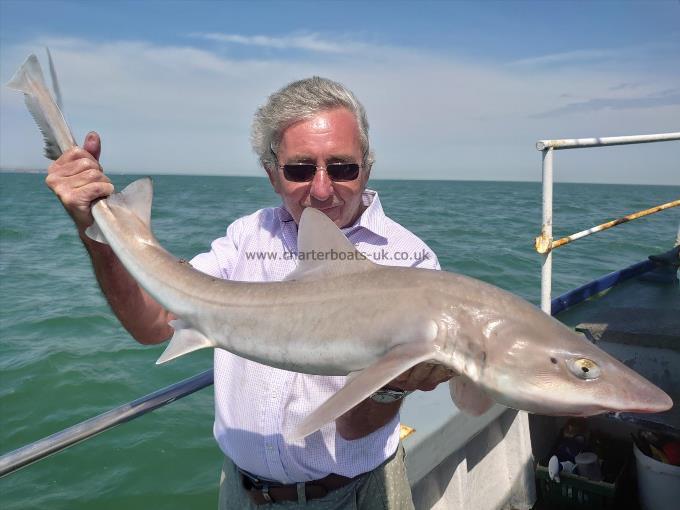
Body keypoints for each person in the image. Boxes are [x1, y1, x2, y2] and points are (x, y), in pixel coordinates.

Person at [46, 77, 454, 509]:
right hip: (241, 492)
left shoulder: (409, 264)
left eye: (342, 167)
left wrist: (392, 386)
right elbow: (152, 324)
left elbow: (354, 430)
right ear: (272, 175)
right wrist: (94, 229)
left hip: (352, 494)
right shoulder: (247, 236)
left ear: (366, 168)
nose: (321, 189)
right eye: (299, 169)